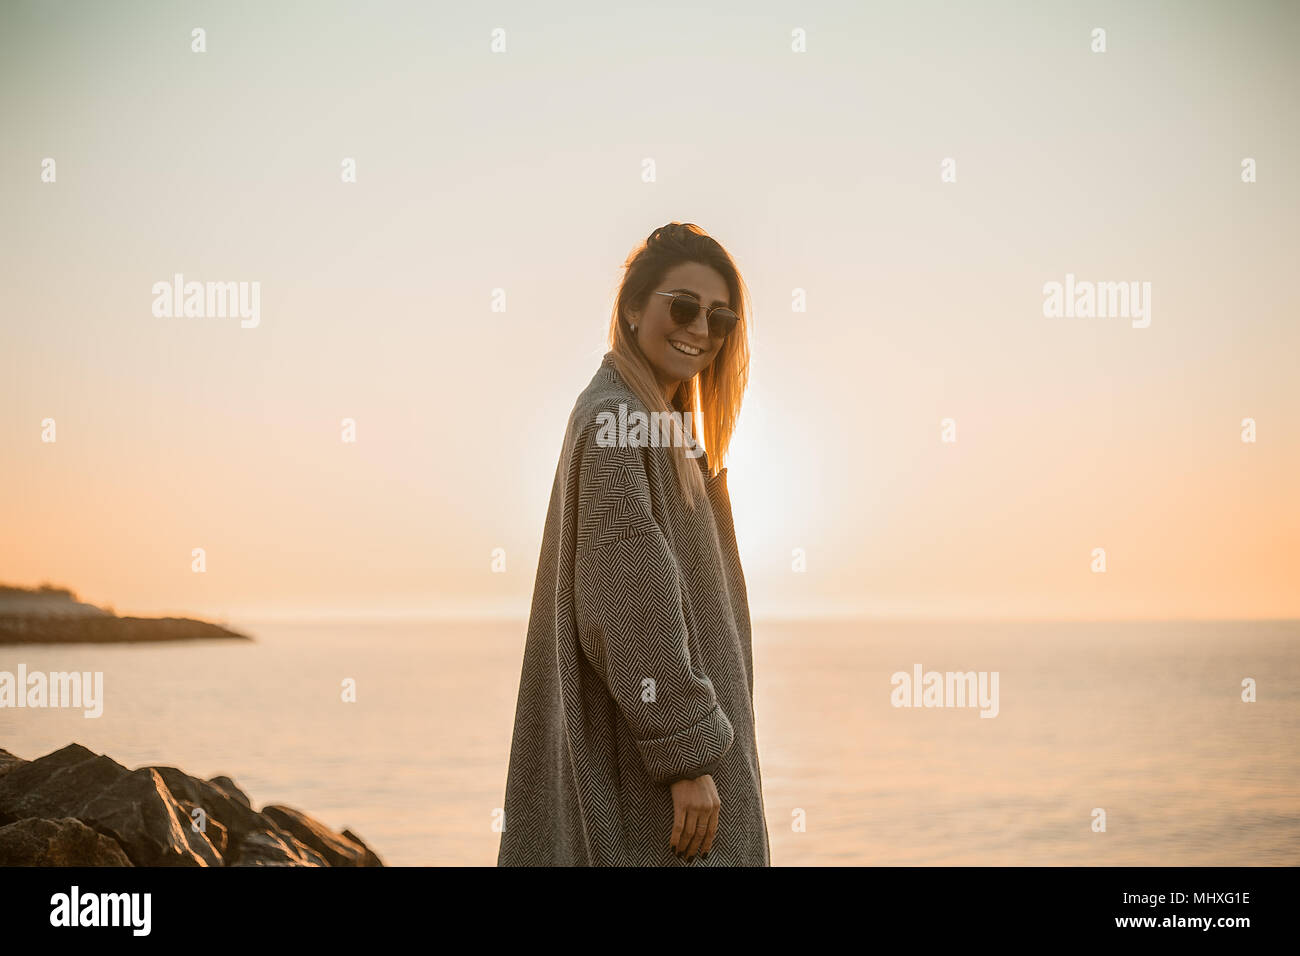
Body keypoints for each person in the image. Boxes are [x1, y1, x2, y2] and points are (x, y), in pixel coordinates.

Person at [497, 222, 770, 866]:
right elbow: (626, 600)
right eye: (682, 306)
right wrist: (687, 756)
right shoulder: (618, 420)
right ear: (631, 308)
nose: (700, 328)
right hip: (650, 784)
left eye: (720, 317)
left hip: (650, 769)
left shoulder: (657, 422)